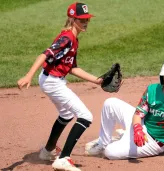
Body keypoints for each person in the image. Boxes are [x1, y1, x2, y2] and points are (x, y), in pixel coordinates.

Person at [17, 2, 102, 171]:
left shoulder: (73, 39)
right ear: (72, 19)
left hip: (52, 80)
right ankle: (63, 159)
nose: (85, 22)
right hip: (52, 82)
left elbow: (72, 68)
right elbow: (44, 54)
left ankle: (47, 151)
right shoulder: (67, 38)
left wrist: (97, 81)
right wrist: (28, 75)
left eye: (87, 19)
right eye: (81, 19)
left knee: (66, 113)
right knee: (85, 116)